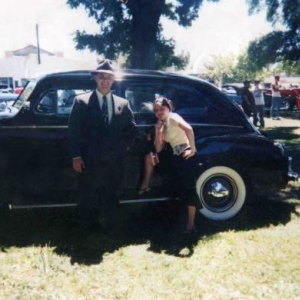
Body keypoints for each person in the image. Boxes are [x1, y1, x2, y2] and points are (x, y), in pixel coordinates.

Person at [68, 59, 136, 231]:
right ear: (95, 78)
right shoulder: (81, 102)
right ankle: (88, 229)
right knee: (88, 195)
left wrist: (123, 149)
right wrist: (76, 156)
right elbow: (74, 131)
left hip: (114, 161)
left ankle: (110, 228)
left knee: (112, 194)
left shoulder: (123, 104)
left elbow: (132, 131)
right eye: (101, 77)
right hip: (89, 160)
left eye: (109, 77)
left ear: (114, 80)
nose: (105, 80)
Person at [153, 97, 200, 234]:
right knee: (182, 188)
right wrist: (157, 131)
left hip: (186, 154)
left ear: (169, 108)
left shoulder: (173, 117)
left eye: (162, 108)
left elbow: (189, 129)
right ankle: (184, 221)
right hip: (176, 156)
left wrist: (193, 149)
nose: (159, 112)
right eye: (156, 110)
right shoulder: (163, 124)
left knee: (189, 188)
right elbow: (158, 149)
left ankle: (191, 225)